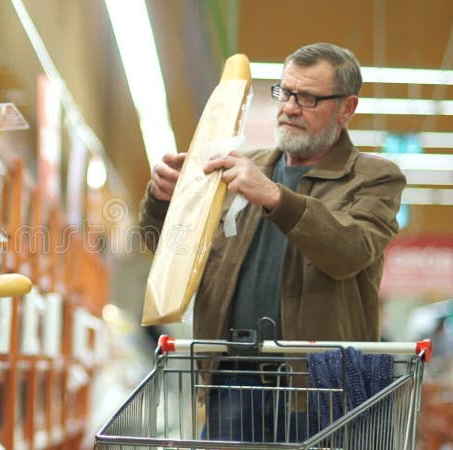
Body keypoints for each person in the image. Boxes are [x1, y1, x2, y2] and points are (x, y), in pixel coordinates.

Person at [139, 43, 406, 443]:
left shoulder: (373, 178)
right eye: (285, 92)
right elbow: (167, 250)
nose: (290, 107)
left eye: (309, 98)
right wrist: (162, 202)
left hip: (324, 385)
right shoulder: (238, 169)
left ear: (347, 108)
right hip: (233, 377)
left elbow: (352, 250)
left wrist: (277, 198)